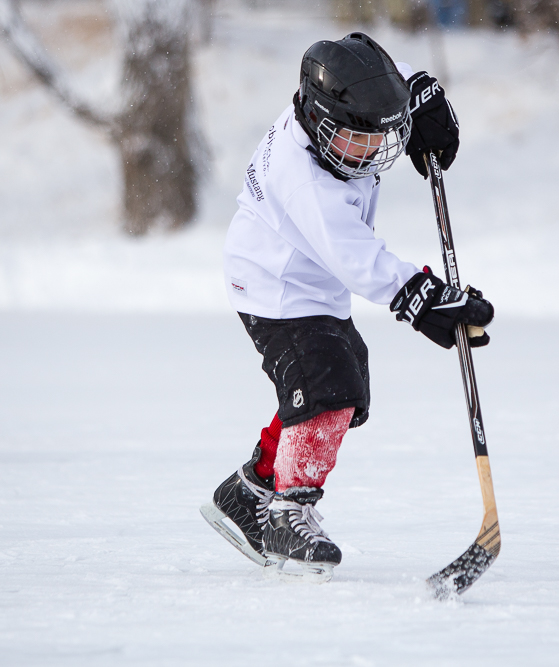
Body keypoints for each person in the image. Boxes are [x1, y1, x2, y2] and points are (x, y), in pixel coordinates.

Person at [200, 33, 493, 577]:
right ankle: (290, 512)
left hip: (312, 282)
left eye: (384, 138)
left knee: (340, 380)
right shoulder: (304, 178)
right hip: (276, 286)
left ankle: (249, 491)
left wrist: (420, 94)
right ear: (318, 121)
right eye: (357, 139)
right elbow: (357, 258)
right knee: (328, 391)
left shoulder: (344, 107)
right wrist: (423, 298)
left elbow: (382, 75)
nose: (373, 152)